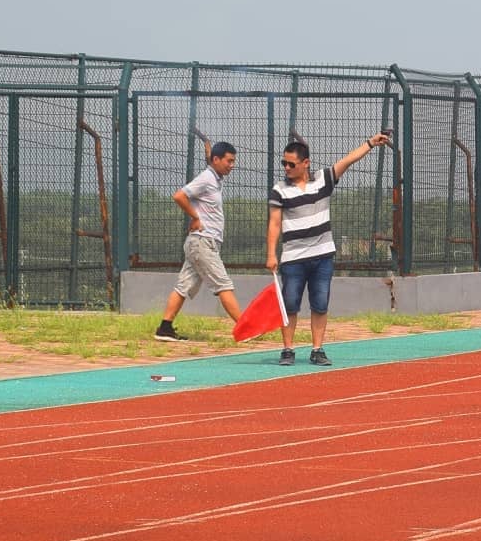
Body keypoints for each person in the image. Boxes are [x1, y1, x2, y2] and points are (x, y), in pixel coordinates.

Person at [265, 132, 391, 366]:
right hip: (292, 258)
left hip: (322, 257)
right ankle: (288, 350)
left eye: (291, 164)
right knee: (290, 304)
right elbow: (274, 223)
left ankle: (317, 349)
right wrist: (271, 254)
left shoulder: (323, 179)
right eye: (284, 163)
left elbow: (348, 160)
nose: (286, 168)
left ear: (305, 163)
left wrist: (371, 143)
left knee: (320, 304)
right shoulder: (279, 189)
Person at [154, 140, 244, 341]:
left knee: (183, 286)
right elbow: (179, 196)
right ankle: (245, 327)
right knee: (223, 284)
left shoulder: (215, 178)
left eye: (233, 161)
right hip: (203, 242)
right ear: (216, 159)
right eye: (229, 161)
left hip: (201, 243)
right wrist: (195, 218)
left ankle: (165, 328)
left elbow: (209, 173)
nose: (232, 165)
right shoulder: (206, 178)